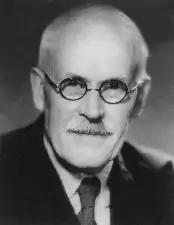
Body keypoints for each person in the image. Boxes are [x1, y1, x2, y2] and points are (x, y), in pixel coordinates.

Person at [0, 4, 174, 225]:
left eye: (113, 86)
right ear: (39, 91)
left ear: (139, 98)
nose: (93, 111)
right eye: (73, 84)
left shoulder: (165, 186)